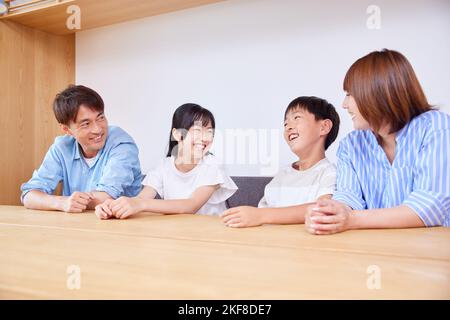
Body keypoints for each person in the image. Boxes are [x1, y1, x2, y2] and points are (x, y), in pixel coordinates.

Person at [306, 49, 450, 235]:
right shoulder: (351, 145)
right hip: (374, 249)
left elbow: (430, 207)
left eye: (350, 94)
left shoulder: (436, 127)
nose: (344, 104)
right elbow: (348, 196)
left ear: (378, 92)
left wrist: (351, 219)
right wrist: (330, 213)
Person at [95, 103, 237, 219]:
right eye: (198, 131)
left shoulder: (212, 165)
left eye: (209, 132)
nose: (205, 137)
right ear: (177, 134)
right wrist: (113, 208)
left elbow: (191, 205)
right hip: (179, 234)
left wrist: (141, 204)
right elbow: (141, 198)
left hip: (212, 236)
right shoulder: (164, 166)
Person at [21, 85, 143, 213]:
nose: (98, 130)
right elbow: (29, 195)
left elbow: (106, 196)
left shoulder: (120, 143)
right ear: (67, 130)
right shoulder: (62, 147)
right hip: (77, 225)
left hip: (122, 226)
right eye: (86, 124)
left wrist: (56, 201)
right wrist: (61, 202)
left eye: (100, 118)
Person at [222, 96, 340, 228]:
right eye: (285, 123)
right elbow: (263, 211)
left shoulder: (329, 173)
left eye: (297, 118)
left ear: (324, 127)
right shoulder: (283, 174)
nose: (288, 127)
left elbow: (323, 210)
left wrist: (260, 215)